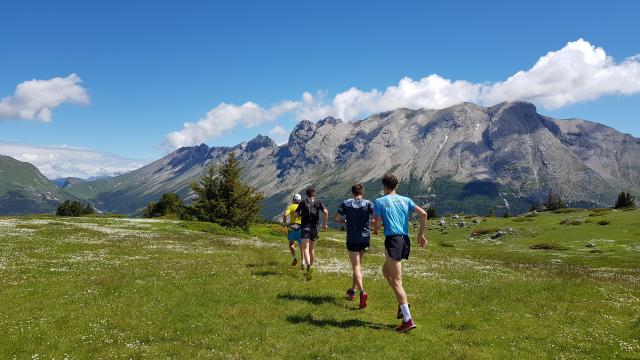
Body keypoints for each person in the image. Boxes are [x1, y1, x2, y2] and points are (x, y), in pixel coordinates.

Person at [373, 174, 428, 333]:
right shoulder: (406, 200)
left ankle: (408, 319)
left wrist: (376, 229)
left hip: (392, 240)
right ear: (396, 185)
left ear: (384, 186)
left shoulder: (380, 201)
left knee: (397, 281)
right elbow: (423, 214)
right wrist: (420, 235)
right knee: (385, 271)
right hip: (404, 240)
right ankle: (401, 303)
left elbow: (377, 225)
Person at [334, 183, 374, 309]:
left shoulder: (346, 203)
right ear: (362, 192)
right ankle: (352, 291)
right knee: (358, 266)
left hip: (352, 238)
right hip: (365, 238)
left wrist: (345, 221)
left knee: (356, 267)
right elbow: (376, 218)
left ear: (352, 192)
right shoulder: (368, 203)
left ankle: (362, 292)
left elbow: (336, 218)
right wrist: (370, 224)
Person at [295, 187, 328, 280]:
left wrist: (301, 214)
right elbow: (325, 212)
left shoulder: (302, 202)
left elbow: (296, 214)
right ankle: (311, 266)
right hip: (315, 228)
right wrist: (325, 224)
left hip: (305, 227)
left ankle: (308, 265)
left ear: (306, 194)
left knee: (305, 248)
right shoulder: (319, 202)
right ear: (314, 194)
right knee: (312, 249)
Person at [282, 193, 304, 268]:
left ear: (293, 200)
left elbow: (285, 214)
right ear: (300, 200)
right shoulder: (303, 207)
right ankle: (303, 263)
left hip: (292, 227)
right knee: (302, 247)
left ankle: (294, 258)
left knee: (291, 244)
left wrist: (285, 222)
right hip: (301, 227)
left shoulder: (291, 207)